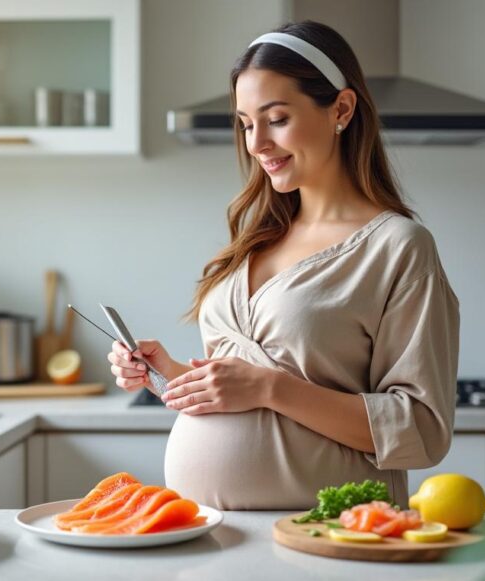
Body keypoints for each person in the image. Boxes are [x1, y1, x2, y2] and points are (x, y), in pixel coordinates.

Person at [107, 21, 460, 510]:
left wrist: (272, 389)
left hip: (328, 536)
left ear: (341, 108)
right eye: (247, 124)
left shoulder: (398, 247)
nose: (256, 144)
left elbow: (422, 428)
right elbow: (247, 386)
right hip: (211, 533)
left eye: (275, 118)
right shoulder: (251, 245)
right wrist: (167, 374)